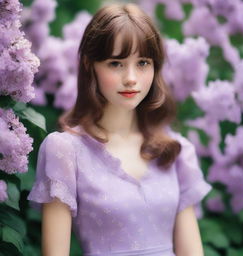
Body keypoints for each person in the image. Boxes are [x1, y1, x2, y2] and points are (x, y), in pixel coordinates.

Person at [27, 3, 212, 256]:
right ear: (89, 64)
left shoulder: (175, 151)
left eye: (143, 63)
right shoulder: (65, 151)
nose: (131, 78)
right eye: (116, 63)